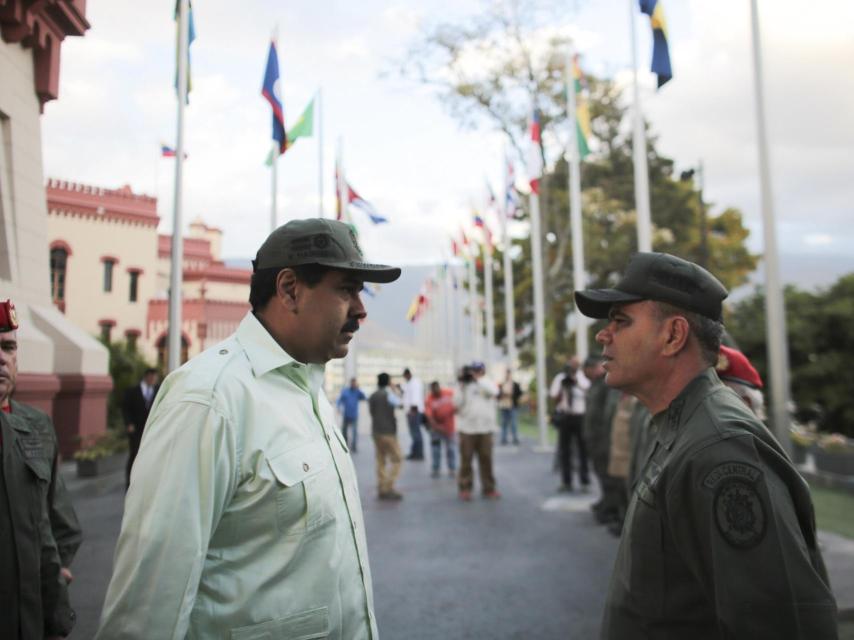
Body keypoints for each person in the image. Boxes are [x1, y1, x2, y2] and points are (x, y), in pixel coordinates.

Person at [96, 218, 401, 639]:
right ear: (289, 289)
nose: (361, 310)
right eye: (347, 289)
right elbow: (148, 605)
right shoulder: (208, 400)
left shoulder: (308, 389)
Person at [574, 251, 837, 638]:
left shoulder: (720, 449)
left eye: (621, 321)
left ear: (673, 336)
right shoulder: (684, 425)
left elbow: (782, 625)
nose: (603, 334)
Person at [0, 299, 82, 639]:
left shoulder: (36, 426)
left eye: (8, 348)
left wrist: (55, 570)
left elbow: (62, 523)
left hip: (34, 616)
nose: (2, 358)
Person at [455, 362, 500, 500]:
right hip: (467, 429)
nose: (474, 373)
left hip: (485, 429)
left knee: (486, 459)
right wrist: (462, 386)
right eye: (473, 371)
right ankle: (465, 488)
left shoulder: (487, 382)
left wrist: (478, 380)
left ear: (483, 371)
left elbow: (495, 392)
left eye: (478, 371)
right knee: (466, 460)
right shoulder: (464, 385)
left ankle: (489, 488)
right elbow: (456, 403)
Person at [549, 356, 591, 492]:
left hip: (580, 417)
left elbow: (588, 392)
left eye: (575, 364)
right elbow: (553, 394)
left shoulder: (583, 378)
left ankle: (585, 482)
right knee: (564, 450)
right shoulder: (560, 378)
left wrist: (576, 383)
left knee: (583, 450)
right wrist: (563, 387)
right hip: (565, 416)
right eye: (571, 364)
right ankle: (566, 482)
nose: (573, 366)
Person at [121, 367, 159, 487]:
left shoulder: (158, 390)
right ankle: (130, 483)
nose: (154, 380)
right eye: (152, 377)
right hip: (136, 430)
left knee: (151, 455)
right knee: (135, 454)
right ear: (146, 377)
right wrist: (129, 423)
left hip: (152, 430)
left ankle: (146, 482)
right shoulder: (133, 391)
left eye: (155, 378)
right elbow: (126, 409)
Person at [368, 372, 403, 500]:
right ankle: (388, 487)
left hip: (376, 432)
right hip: (388, 432)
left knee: (381, 460)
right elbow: (400, 404)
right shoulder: (389, 395)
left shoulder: (372, 395)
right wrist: (395, 390)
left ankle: (382, 487)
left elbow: (372, 412)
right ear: (388, 382)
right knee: (397, 459)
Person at [424, 380, 457, 478]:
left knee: (451, 449)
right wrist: (438, 428)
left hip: (450, 427)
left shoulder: (448, 393)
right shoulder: (429, 399)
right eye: (433, 390)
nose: (436, 391)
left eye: (437, 389)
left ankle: (452, 469)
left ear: (439, 387)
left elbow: (458, 403)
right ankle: (436, 468)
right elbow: (429, 417)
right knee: (436, 450)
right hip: (436, 429)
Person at [336, 377, 367, 453]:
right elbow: (339, 400)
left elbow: (364, 397)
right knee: (344, 431)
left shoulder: (357, 392)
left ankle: (354, 446)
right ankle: (345, 444)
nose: (354, 384)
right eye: (353, 383)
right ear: (351, 383)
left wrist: (359, 389)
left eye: (355, 383)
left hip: (354, 416)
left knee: (354, 432)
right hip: (346, 415)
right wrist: (338, 407)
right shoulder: (345, 391)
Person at [401, 367, 425, 460]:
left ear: (408, 374)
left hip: (414, 412)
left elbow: (415, 398)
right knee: (414, 433)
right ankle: (415, 452)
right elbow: (405, 394)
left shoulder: (415, 383)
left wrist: (413, 411)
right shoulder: (408, 383)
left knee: (416, 433)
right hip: (411, 411)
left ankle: (418, 454)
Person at [497, 370, 522, 445]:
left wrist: (512, 394)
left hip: (512, 406)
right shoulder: (502, 384)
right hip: (504, 406)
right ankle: (503, 438)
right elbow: (498, 395)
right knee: (504, 423)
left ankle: (515, 438)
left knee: (514, 423)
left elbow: (519, 394)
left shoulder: (515, 384)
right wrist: (503, 394)